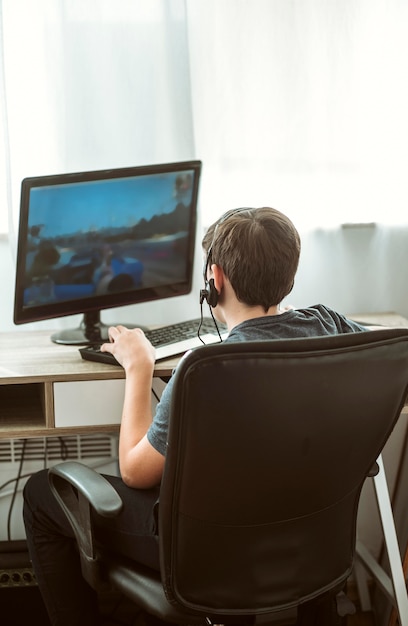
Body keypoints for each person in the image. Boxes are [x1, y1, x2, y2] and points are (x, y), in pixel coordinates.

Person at [23, 207, 366, 625]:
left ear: (215, 280)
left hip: (209, 554)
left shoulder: (204, 369)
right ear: (289, 276)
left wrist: (140, 368)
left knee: (42, 494)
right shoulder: (328, 324)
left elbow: (135, 473)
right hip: (308, 540)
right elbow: (401, 349)